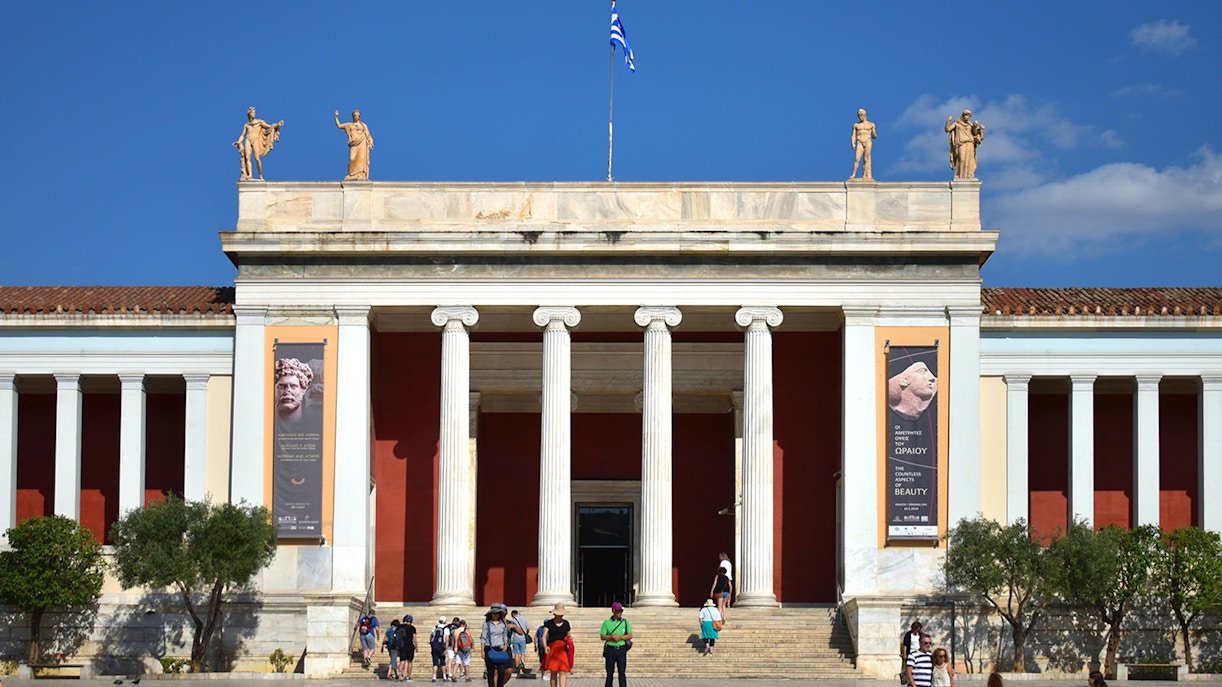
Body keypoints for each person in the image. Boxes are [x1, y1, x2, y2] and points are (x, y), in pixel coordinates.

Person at [233, 107, 283, 181]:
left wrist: (278, 125)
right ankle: (250, 175)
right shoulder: (247, 125)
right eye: (252, 112)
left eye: (254, 112)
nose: (254, 114)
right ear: (249, 114)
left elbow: (269, 126)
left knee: (257, 158)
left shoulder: (259, 122)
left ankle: (260, 175)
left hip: (255, 140)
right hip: (248, 140)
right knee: (247, 158)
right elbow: (243, 135)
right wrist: (239, 141)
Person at [481, 603, 522, 687]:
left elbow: (506, 635)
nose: (495, 615)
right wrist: (482, 650)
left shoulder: (504, 624)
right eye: (494, 613)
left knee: (502, 670)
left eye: (497, 613)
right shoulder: (486, 624)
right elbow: (483, 638)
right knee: (492, 671)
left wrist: (505, 644)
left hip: (502, 648)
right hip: (490, 648)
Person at [599, 602, 632, 687]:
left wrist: (620, 637)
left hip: (621, 649)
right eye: (618, 611)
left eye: (621, 611)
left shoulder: (625, 622)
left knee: (622, 672)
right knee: (609, 672)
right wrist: (611, 637)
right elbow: (602, 636)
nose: (620, 613)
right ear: (613, 611)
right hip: (610, 649)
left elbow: (630, 635)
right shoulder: (606, 622)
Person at [335, 109, 375, 181]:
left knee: (362, 158)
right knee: (352, 159)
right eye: (355, 116)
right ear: (353, 117)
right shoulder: (349, 125)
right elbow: (339, 125)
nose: (357, 117)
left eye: (358, 116)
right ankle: (351, 174)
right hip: (353, 144)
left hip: (362, 142)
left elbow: (368, 134)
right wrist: (336, 117)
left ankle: (361, 174)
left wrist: (370, 141)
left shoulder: (363, 125)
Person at [945, 110, 985, 179]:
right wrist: (948, 121)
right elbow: (947, 129)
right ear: (963, 115)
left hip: (970, 143)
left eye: (969, 116)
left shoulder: (970, 125)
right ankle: (960, 176)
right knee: (962, 159)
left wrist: (979, 129)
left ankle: (969, 176)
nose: (967, 117)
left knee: (969, 161)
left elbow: (976, 133)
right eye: (966, 115)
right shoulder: (956, 123)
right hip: (961, 143)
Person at [274, 357, 315, 423]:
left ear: (303, 389)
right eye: (281, 386)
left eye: (293, 386)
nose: (287, 391)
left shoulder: (315, 423)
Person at [541, 603, 573, 687]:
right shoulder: (549, 623)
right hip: (552, 649)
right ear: (554, 613)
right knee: (553, 671)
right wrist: (545, 646)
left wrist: (570, 643)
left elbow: (568, 635)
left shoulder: (566, 623)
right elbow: (544, 636)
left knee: (563, 671)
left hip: (563, 649)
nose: (560, 615)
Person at [849, 108, 878, 181]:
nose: (860, 117)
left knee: (866, 159)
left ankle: (865, 175)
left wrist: (874, 134)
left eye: (861, 115)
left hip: (868, 141)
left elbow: (874, 136)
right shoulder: (856, 125)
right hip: (859, 141)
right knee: (857, 158)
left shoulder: (871, 124)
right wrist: (853, 143)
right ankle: (854, 174)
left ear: (865, 115)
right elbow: (853, 135)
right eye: (859, 116)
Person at [398, 615, 418, 681]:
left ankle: (400, 674)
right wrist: (417, 646)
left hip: (402, 646)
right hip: (410, 646)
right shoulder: (412, 628)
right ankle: (408, 676)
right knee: (410, 661)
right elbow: (414, 638)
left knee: (402, 661)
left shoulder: (400, 627)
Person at [509, 610, 530, 674]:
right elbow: (528, 628)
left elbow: (511, 630)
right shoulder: (524, 619)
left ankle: (517, 666)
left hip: (516, 637)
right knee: (523, 652)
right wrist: (526, 633)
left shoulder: (513, 620)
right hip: (523, 637)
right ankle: (522, 662)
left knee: (516, 653)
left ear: (513, 614)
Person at [430, 617, 449, 682]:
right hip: (441, 647)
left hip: (435, 647)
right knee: (443, 662)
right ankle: (444, 676)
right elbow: (447, 639)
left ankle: (434, 676)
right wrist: (446, 648)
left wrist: (431, 644)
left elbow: (431, 636)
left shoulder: (435, 627)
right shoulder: (446, 628)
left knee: (435, 663)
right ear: (444, 621)